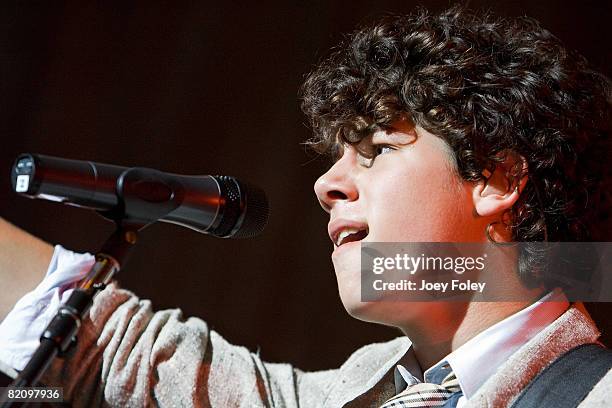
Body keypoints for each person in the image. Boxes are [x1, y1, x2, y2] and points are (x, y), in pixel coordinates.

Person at [0, 6, 610, 407]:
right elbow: (118, 347)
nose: (326, 184)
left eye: (376, 148)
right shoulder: (348, 394)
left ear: (496, 179)